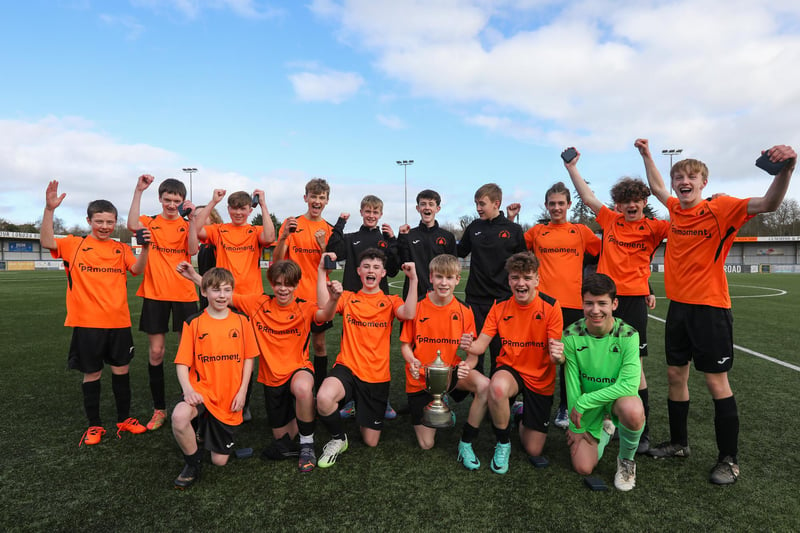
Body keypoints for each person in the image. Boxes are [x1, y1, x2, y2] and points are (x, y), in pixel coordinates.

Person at [636, 138, 796, 484]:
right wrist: (646, 154)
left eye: (691, 176)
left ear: (703, 183)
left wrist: (787, 169)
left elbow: (769, 203)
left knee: (714, 381)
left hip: (711, 309)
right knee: (676, 376)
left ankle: (729, 459)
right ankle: (679, 444)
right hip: (679, 309)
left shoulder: (722, 208)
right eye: (679, 176)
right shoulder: (676, 210)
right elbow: (656, 185)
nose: (683, 182)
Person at [177, 257, 342, 472]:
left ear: (297, 285)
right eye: (279, 283)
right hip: (271, 378)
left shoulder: (304, 307)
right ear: (271, 283)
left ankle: (307, 444)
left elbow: (325, 314)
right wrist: (193, 276)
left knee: (303, 388)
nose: (283, 289)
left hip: (298, 370)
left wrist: (334, 299)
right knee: (281, 438)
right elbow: (222, 294)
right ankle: (304, 419)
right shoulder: (257, 303)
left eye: (289, 284)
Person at [564, 150, 670, 453]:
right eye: (625, 201)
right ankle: (600, 417)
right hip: (603, 300)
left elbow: (674, 206)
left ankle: (642, 429)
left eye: (637, 200)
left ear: (645, 202)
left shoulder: (655, 228)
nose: (631, 205)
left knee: (634, 369)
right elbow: (588, 197)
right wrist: (572, 169)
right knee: (594, 360)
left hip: (634, 301)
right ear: (618, 205)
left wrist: (648, 156)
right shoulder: (610, 220)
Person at [40, 181, 150, 445]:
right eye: (99, 221)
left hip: (118, 322)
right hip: (87, 324)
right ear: (88, 220)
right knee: (93, 374)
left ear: (115, 223)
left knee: (121, 371)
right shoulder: (73, 244)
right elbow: (46, 241)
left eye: (109, 222)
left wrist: (145, 248)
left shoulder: (120, 248)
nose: (104, 226)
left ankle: (124, 419)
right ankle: (94, 426)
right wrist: (49, 210)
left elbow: (137, 270)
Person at [507, 182, 601, 430]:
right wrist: (511, 220)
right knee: (537, 354)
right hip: (542, 305)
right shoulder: (537, 232)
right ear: (546, 206)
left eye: (561, 203)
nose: (557, 207)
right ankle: (528, 401)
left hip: (572, 304)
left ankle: (565, 406)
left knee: (569, 360)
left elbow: (606, 253)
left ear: (569, 204)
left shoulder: (581, 231)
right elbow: (515, 247)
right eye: (552, 203)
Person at [314, 249, 418, 468]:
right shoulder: (349, 298)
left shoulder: (390, 301)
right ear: (359, 271)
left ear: (383, 274)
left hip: (376, 376)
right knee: (323, 398)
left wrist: (414, 279)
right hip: (348, 368)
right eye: (367, 267)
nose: (371, 271)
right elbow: (324, 307)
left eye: (376, 267)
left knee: (370, 441)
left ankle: (358, 406)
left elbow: (408, 313)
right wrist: (321, 272)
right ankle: (338, 439)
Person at [466, 252, 563, 474]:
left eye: (527, 278)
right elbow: (480, 346)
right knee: (497, 388)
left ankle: (520, 413)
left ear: (537, 280)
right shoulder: (499, 307)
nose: (521, 283)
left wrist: (558, 356)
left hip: (540, 376)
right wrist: (466, 344)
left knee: (533, 449)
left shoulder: (551, 307)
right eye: (515, 277)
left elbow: (554, 355)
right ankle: (503, 443)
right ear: (508, 280)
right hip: (510, 370)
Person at [171, 267, 258, 489]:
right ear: (204, 292)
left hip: (228, 395)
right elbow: (182, 363)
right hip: (202, 390)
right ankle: (193, 462)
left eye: (227, 290)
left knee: (219, 461)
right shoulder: (194, 322)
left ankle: (206, 427)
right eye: (216, 290)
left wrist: (242, 391)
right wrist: (188, 390)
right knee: (180, 417)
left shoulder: (242, 321)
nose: (222, 296)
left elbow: (249, 359)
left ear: (232, 293)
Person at [400, 254, 489, 469]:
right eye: (439, 277)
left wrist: (467, 366)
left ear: (458, 279)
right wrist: (412, 361)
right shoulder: (418, 307)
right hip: (421, 379)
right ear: (430, 278)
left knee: (484, 386)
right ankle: (440, 403)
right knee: (426, 444)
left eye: (449, 278)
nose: (443, 283)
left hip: (451, 373)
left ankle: (466, 442)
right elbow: (404, 345)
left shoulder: (465, 311)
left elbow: (473, 354)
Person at [127, 174, 199, 431]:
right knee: (156, 353)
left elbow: (192, 250)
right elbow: (131, 223)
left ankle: (190, 404)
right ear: (160, 199)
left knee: (187, 354)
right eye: (167, 199)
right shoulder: (150, 221)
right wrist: (138, 190)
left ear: (181, 201)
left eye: (175, 200)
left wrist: (192, 221)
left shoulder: (185, 222)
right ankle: (159, 409)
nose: (171, 204)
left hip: (185, 294)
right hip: (155, 293)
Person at [563, 273, 645, 491]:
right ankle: (606, 431)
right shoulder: (571, 334)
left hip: (613, 401)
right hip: (589, 407)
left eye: (602, 303)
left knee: (633, 410)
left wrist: (584, 402)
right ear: (582, 303)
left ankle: (626, 461)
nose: (595, 310)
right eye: (589, 303)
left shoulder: (628, 335)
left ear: (614, 304)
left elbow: (629, 386)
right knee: (583, 468)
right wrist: (575, 425)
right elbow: (572, 384)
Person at [325, 194, 401, 419]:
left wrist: (394, 240)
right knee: (350, 351)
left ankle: (382, 400)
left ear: (380, 215)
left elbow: (394, 269)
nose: (371, 215)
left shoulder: (385, 240)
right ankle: (351, 400)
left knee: (380, 354)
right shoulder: (352, 238)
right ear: (361, 212)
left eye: (375, 212)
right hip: (353, 303)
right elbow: (334, 249)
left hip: (379, 305)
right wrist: (340, 223)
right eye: (367, 211)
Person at [456, 183, 526, 375]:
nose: (478, 208)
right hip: (475, 301)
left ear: (497, 203)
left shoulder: (513, 230)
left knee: (500, 354)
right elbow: (459, 251)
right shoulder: (474, 227)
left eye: (482, 204)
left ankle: (498, 399)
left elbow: (522, 265)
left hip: (503, 301)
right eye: (476, 204)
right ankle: (478, 397)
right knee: (474, 354)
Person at [273, 178, 335, 391]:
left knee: (318, 344)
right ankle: (292, 388)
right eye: (314, 196)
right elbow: (277, 262)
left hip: (318, 298)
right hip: (293, 297)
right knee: (293, 346)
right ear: (305, 198)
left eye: (321, 197)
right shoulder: (293, 224)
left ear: (327, 200)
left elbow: (331, 267)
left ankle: (318, 390)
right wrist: (284, 237)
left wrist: (323, 246)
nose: (317, 201)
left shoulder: (329, 228)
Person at [194, 188, 276, 297]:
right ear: (228, 209)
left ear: (250, 211)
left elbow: (270, 237)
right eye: (234, 208)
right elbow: (196, 230)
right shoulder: (218, 230)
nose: (238, 213)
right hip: (224, 294)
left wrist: (263, 205)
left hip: (251, 295)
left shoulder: (256, 231)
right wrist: (213, 202)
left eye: (242, 209)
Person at [397, 189, 457, 300]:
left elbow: (452, 268)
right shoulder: (409, 235)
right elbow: (402, 263)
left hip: (439, 295)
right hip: (413, 294)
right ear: (418, 208)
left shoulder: (448, 237)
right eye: (423, 204)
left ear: (437, 209)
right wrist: (401, 238)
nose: (427, 207)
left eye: (431, 204)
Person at [196, 205, 223, 310]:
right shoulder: (203, 244)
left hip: (219, 290)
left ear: (213, 217)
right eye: (196, 216)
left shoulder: (220, 238)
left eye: (203, 215)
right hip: (204, 288)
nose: (199, 219)